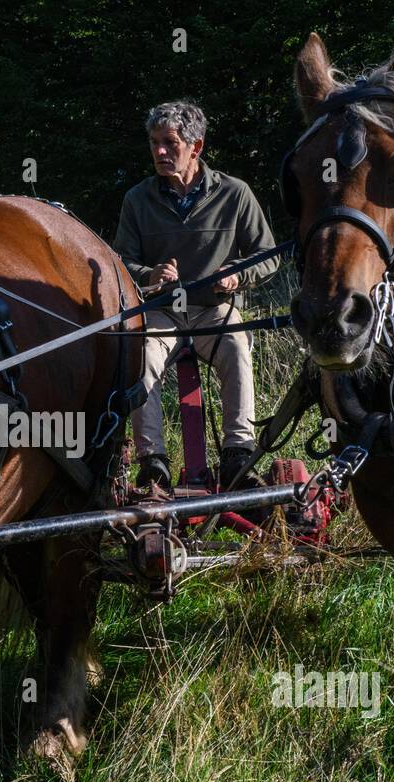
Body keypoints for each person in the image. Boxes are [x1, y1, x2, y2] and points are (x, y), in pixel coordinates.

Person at [114, 100, 279, 491]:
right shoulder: (138, 199)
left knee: (236, 347)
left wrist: (237, 277)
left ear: (196, 146)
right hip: (162, 311)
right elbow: (120, 262)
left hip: (213, 310)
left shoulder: (235, 194)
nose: (160, 152)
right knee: (142, 358)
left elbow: (268, 257)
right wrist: (149, 275)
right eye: (154, 142)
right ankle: (153, 462)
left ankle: (238, 453)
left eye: (170, 143)